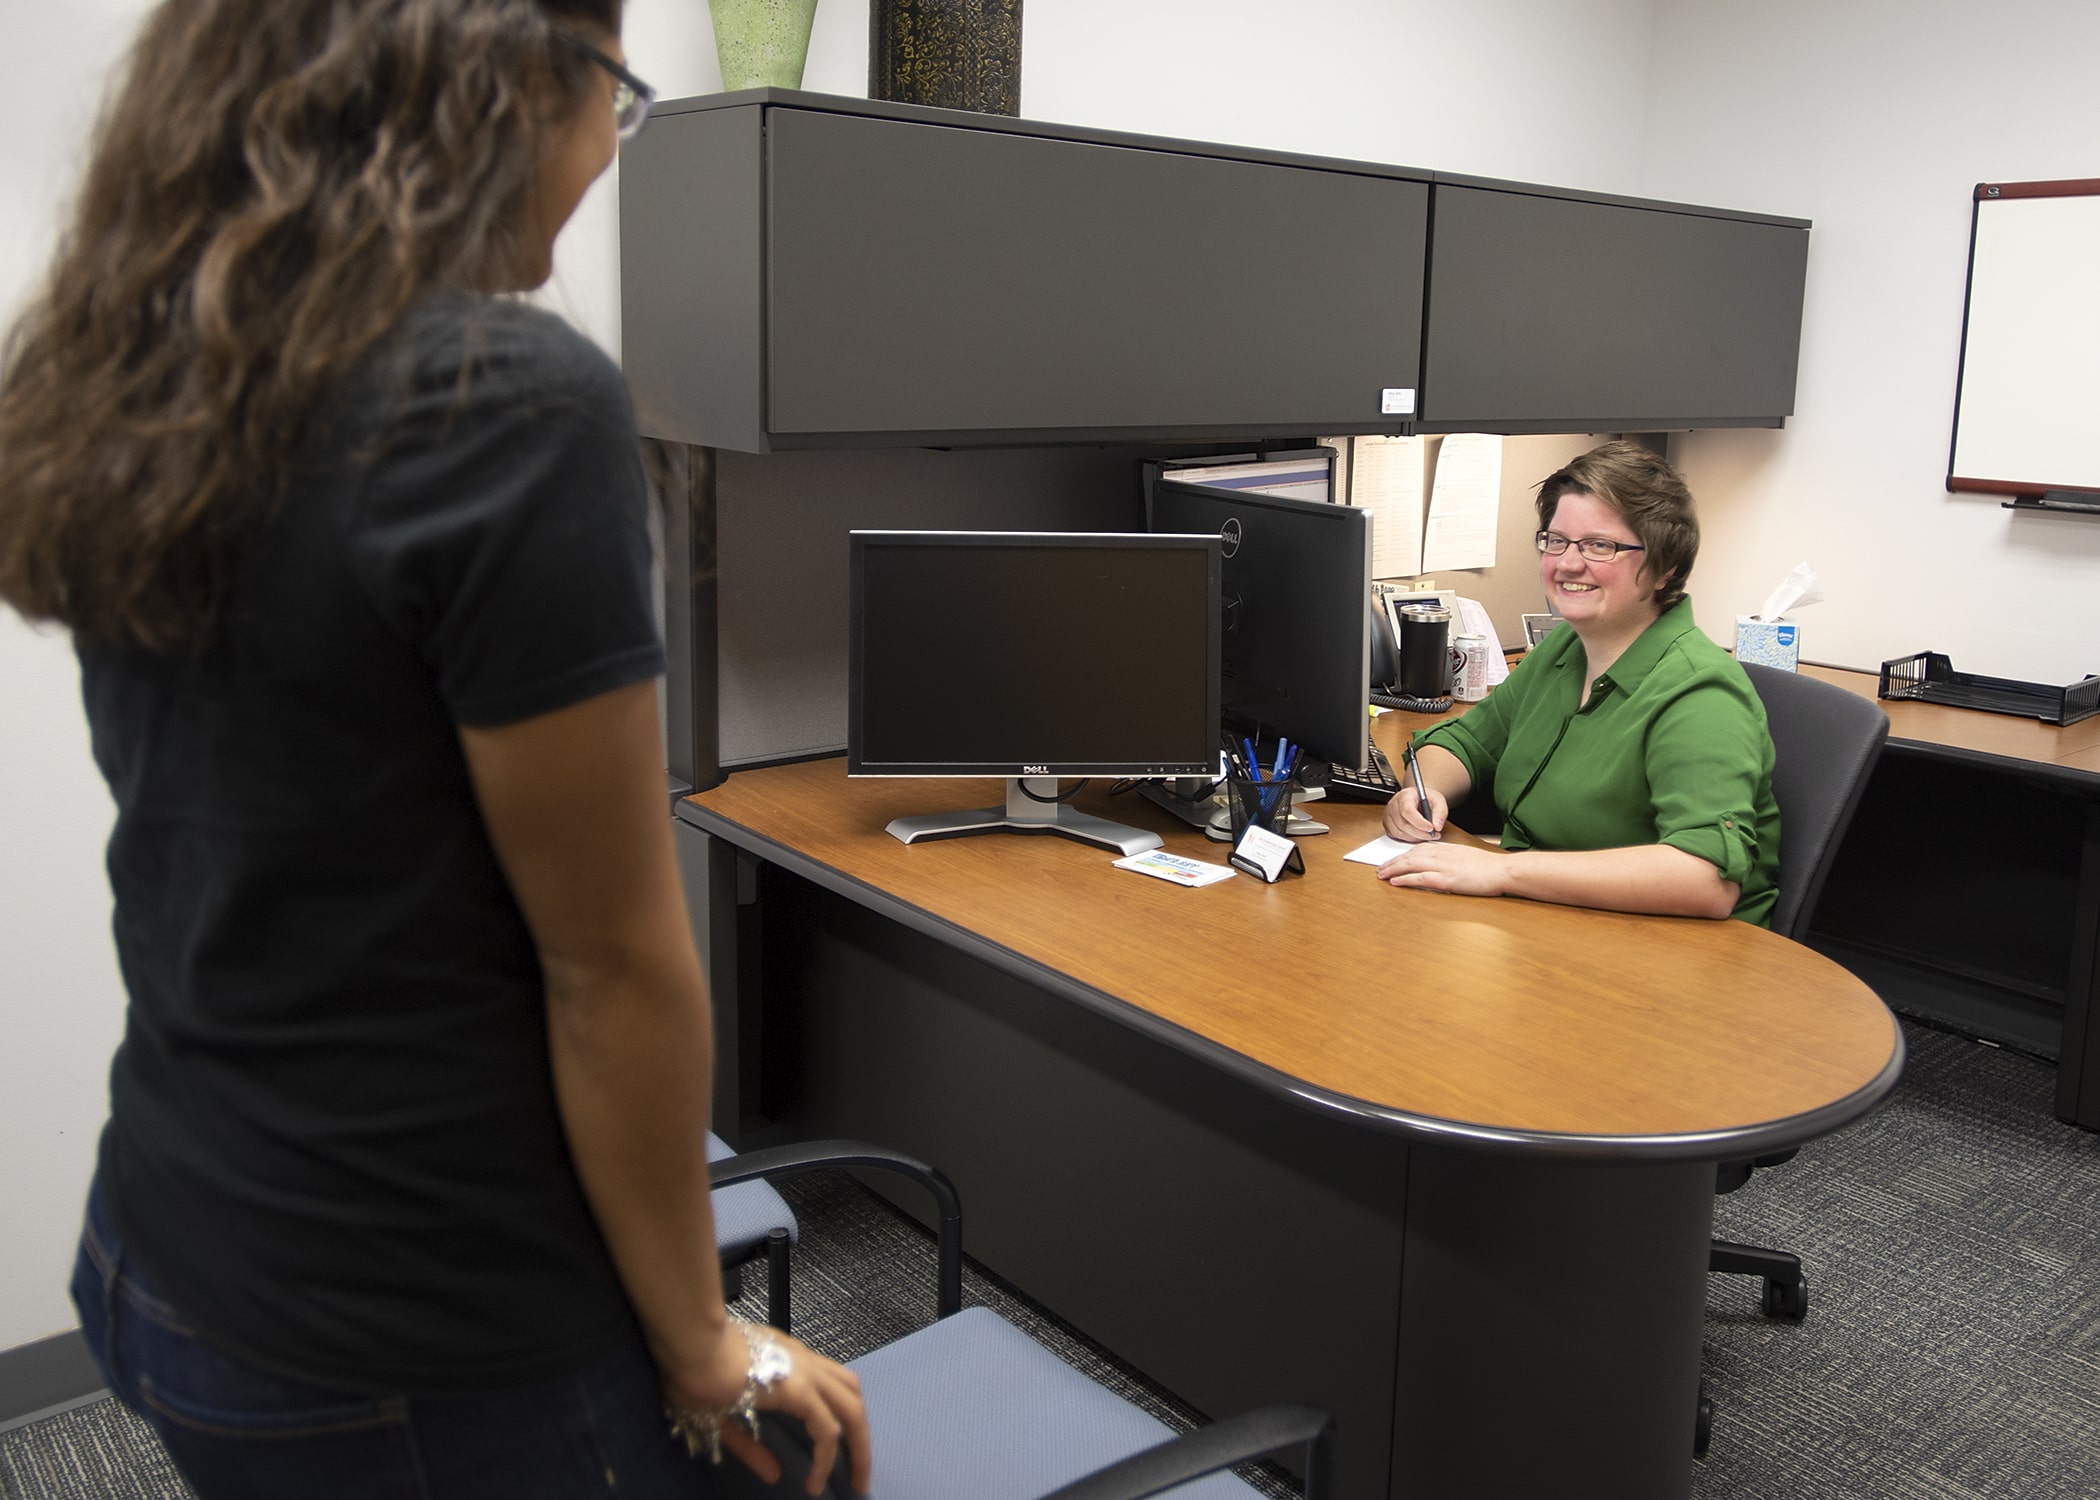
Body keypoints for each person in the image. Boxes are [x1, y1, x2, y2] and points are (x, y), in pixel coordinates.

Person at [0, 2, 870, 1495]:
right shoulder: (500, 404)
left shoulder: (156, 364)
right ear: (511, 78)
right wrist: (702, 1338)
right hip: (419, 1325)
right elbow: (611, 967)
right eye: (615, 89)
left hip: (167, 1238)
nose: (609, 144)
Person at [1375, 440, 1781, 924]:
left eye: (1600, 545)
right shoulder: (1564, 651)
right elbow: (1464, 741)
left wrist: (1504, 873)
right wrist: (1425, 796)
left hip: (1678, 957)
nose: (1568, 563)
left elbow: (1704, 879)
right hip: (1558, 920)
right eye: (1557, 540)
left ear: (1664, 569)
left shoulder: (1701, 695)